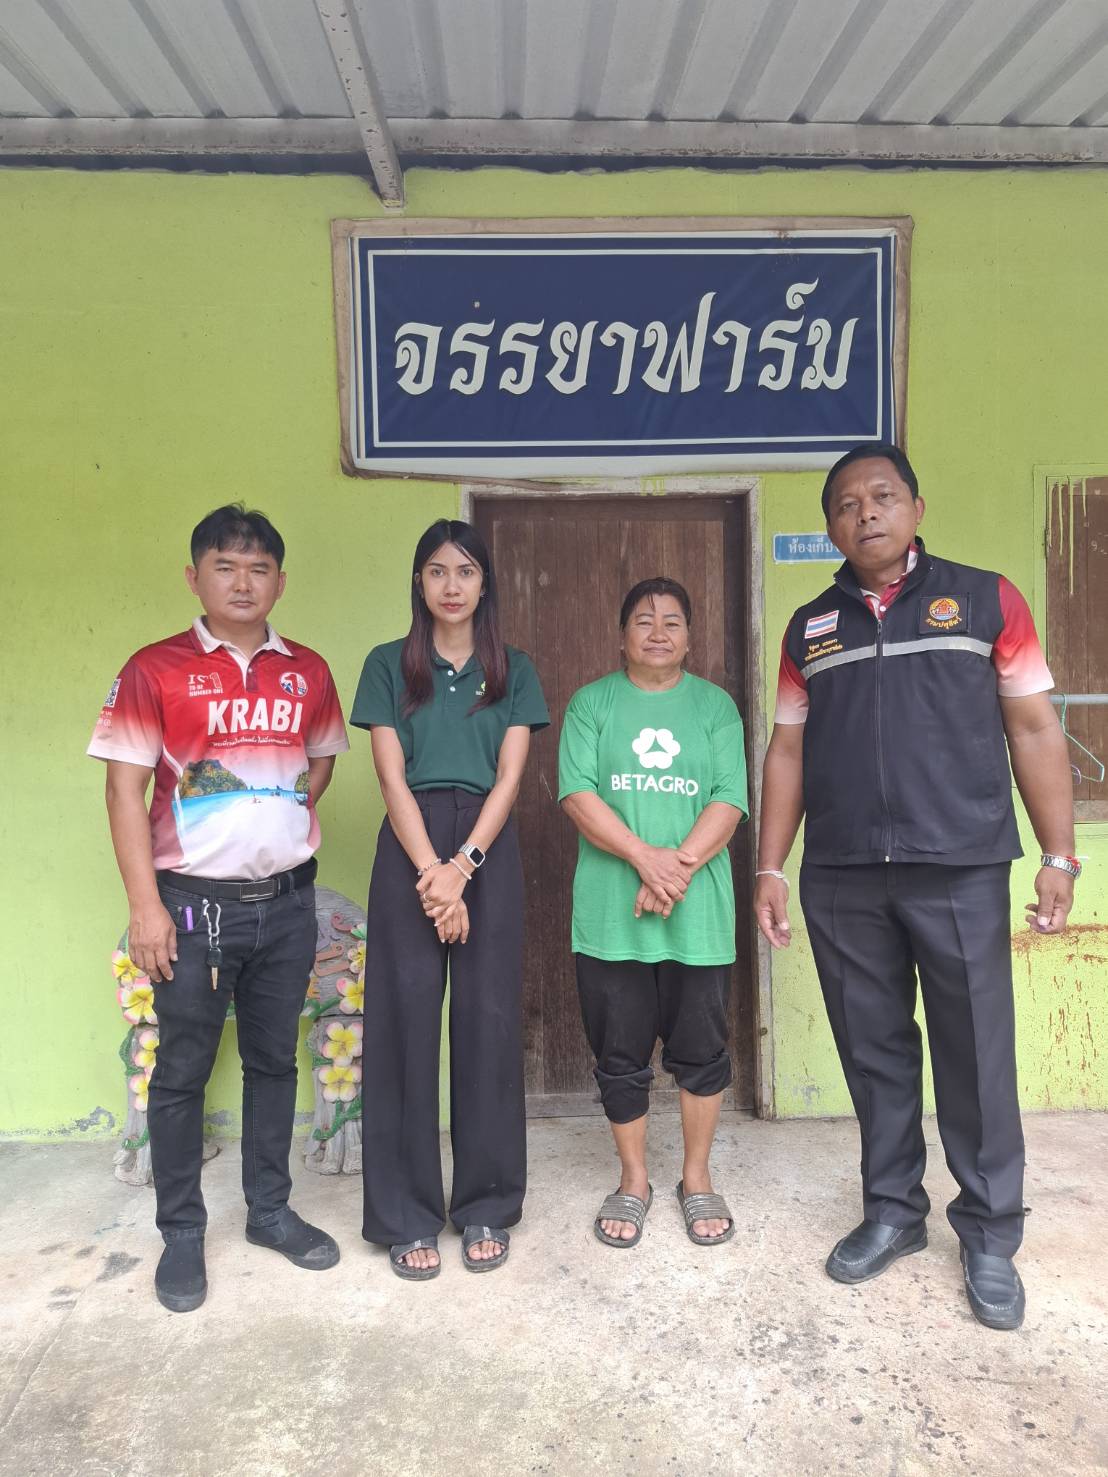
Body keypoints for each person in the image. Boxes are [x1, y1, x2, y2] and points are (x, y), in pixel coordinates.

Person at [755, 443, 1077, 1331]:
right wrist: (772, 865)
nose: (866, 512)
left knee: (975, 1050)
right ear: (831, 527)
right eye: (847, 503)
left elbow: (1034, 727)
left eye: (883, 495)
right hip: (845, 871)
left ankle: (990, 1232)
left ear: (917, 509)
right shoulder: (810, 628)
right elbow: (787, 749)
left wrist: (1059, 854)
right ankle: (894, 1210)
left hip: (960, 864)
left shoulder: (985, 600)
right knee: (874, 1049)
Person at [88, 504, 350, 1313]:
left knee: (274, 1063)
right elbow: (123, 791)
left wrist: (273, 818)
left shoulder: (307, 671)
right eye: (226, 567)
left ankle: (269, 1211)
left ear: (280, 580)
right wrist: (146, 906)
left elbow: (318, 764)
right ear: (194, 577)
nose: (243, 582)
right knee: (181, 1073)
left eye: (259, 568)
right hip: (191, 909)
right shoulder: (154, 669)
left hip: (287, 905)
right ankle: (181, 1232)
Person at [351, 519, 548, 1279]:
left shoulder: (514, 669)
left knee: (488, 1021)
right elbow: (390, 776)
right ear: (419, 582)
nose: (452, 585)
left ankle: (486, 1203)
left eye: (465, 571)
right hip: (411, 844)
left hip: (485, 849)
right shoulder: (387, 664)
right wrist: (433, 870)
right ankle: (405, 1212)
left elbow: (510, 777)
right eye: (437, 571)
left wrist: (462, 866)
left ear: (484, 582)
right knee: (402, 1020)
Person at [559, 578, 748, 1249]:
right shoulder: (592, 704)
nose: (659, 631)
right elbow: (577, 794)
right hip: (612, 915)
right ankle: (633, 1178)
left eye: (673, 621)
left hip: (698, 917)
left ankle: (696, 1177)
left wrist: (673, 870)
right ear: (622, 636)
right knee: (619, 1053)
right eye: (644, 620)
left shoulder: (715, 707)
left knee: (702, 1051)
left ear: (690, 637)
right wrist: (645, 859)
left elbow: (728, 798)